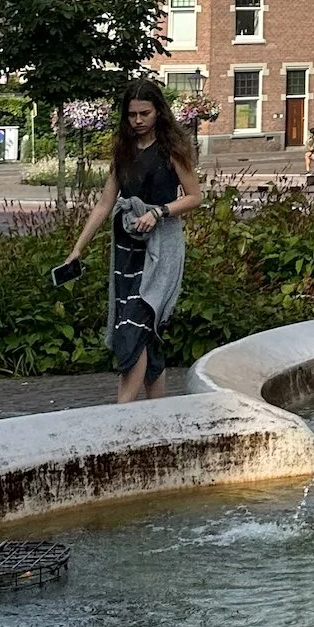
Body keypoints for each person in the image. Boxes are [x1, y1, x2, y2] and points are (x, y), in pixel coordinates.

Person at [51, 80, 203, 404]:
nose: (137, 120)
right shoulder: (124, 152)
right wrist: (77, 249)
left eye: (144, 113)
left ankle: (121, 418)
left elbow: (195, 197)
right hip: (126, 253)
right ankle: (157, 418)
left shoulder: (171, 151)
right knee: (145, 335)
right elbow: (104, 204)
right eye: (132, 114)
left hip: (159, 253)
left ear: (158, 112)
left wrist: (160, 212)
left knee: (133, 329)